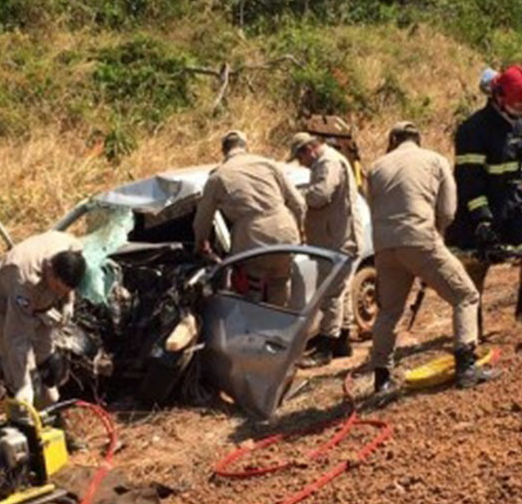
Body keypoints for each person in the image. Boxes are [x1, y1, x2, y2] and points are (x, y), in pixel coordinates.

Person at [367, 122, 497, 393]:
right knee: (465, 296)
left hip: (383, 246)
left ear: (393, 139)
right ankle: (466, 367)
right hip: (420, 238)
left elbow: (373, 207)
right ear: (418, 139)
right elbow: (449, 209)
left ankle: (381, 379)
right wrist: (437, 234)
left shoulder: (376, 167)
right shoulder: (435, 160)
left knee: (388, 312)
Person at [446, 65, 522, 330]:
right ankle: (474, 327)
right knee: (476, 266)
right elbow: (469, 181)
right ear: (499, 98)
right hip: (478, 206)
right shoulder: (473, 130)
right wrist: (482, 219)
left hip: (513, 201)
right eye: (520, 104)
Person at [193, 130, 306, 306]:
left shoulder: (218, 177)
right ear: (246, 147)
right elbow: (299, 203)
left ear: (224, 151)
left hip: (254, 238)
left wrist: (201, 244)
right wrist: (299, 230)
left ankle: (253, 329)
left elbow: (202, 221)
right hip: (285, 231)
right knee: (279, 283)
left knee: (252, 291)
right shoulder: (268, 164)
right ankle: (279, 328)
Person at [0, 231, 87, 406]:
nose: (60, 294)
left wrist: (68, 301)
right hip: (3, 303)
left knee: (46, 356)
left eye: (65, 291)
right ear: (50, 270)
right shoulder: (25, 281)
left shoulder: (71, 249)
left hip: (40, 303)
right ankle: (22, 414)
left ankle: (46, 404)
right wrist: (24, 384)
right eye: (58, 288)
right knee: (15, 364)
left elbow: (65, 282)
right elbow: (16, 336)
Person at [289, 132, 366, 366]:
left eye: (300, 157)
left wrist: (298, 195)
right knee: (340, 292)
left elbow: (320, 196)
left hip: (338, 241)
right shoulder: (328, 161)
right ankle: (342, 342)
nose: (301, 163)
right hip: (336, 239)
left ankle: (325, 348)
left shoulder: (327, 162)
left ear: (309, 149)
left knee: (330, 294)